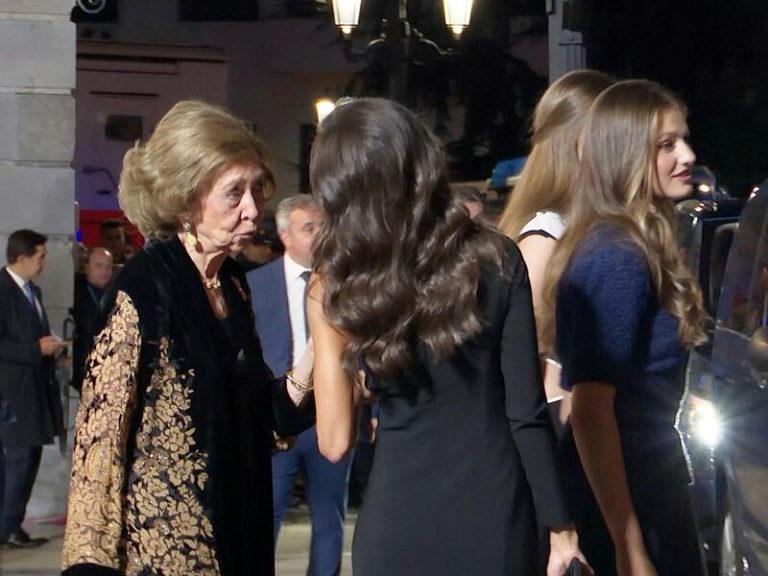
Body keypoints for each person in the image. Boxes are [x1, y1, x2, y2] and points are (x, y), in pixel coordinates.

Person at [307, 98, 589, 576]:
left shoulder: (333, 284)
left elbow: (335, 442)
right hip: (495, 510)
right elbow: (525, 412)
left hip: (397, 522)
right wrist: (560, 526)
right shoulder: (496, 257)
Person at [61, 100, 315, 576]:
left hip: (243, 540)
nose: (253, 209)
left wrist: (319, 347)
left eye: (256, 189)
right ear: (184, 198)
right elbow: (99, 452)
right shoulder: (141, 292)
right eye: (234, 193)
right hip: (169, 554)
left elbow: (261, 415)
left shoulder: (233, 283)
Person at [545, 79, 707, 576]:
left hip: (647, 485)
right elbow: (591, 413)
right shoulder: (617, 256)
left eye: (683, 139)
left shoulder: (631, 246)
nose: (687, 155)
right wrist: (629, 544)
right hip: (630, 499)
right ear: (625, 157)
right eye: (666, 145)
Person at [497, 70, 614, 428]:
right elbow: (518, 360)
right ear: (577, 142)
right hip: (559, 427)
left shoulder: (595, 228)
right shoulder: (543, 237)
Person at [247, 194, 351, 576]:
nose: (320, 236)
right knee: (265, 516)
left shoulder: (344, 285)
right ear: (285, 233)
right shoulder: (254, 284)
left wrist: (365, 410)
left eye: (324, 228)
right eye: (310, 229)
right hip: (277, 422)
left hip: (331, 416)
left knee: (329, 520)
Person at [0, 229, 66, 548]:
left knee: (28, 459)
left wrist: (55, 350)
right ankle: (8, 527)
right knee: (18, 461)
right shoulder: (2, 291)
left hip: (36, 389)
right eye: (40, 257)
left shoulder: (32, 292)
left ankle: (11, 524)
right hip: (13, 394)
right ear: (22, 258)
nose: (43, 264)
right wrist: (34, 349)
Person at [71, 247, 114, 393]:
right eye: (99, 266)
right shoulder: (75, 293)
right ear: (87, 266)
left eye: (108, 266)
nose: (105, 271)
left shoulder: (114, 294)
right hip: (82, 370)